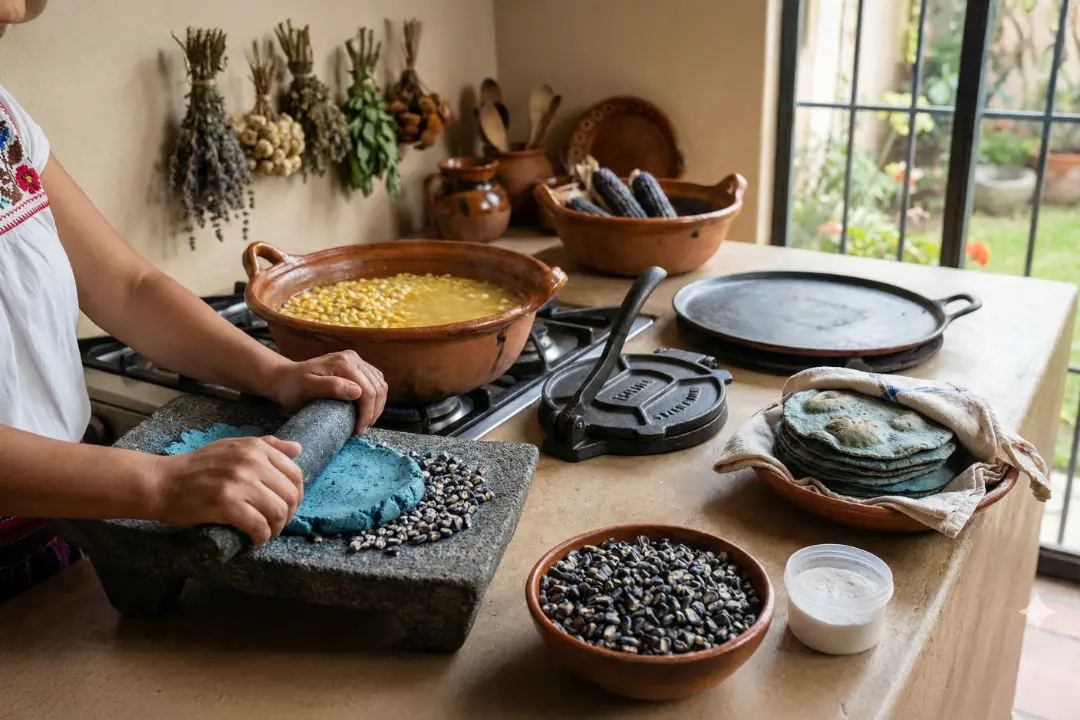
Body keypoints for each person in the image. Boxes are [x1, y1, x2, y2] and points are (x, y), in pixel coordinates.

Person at [0, 0, 388, 601]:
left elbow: (129, 288)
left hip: (64, 529)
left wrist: (277, 373)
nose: (14, 10)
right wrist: (160, 483)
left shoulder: (7, 122)